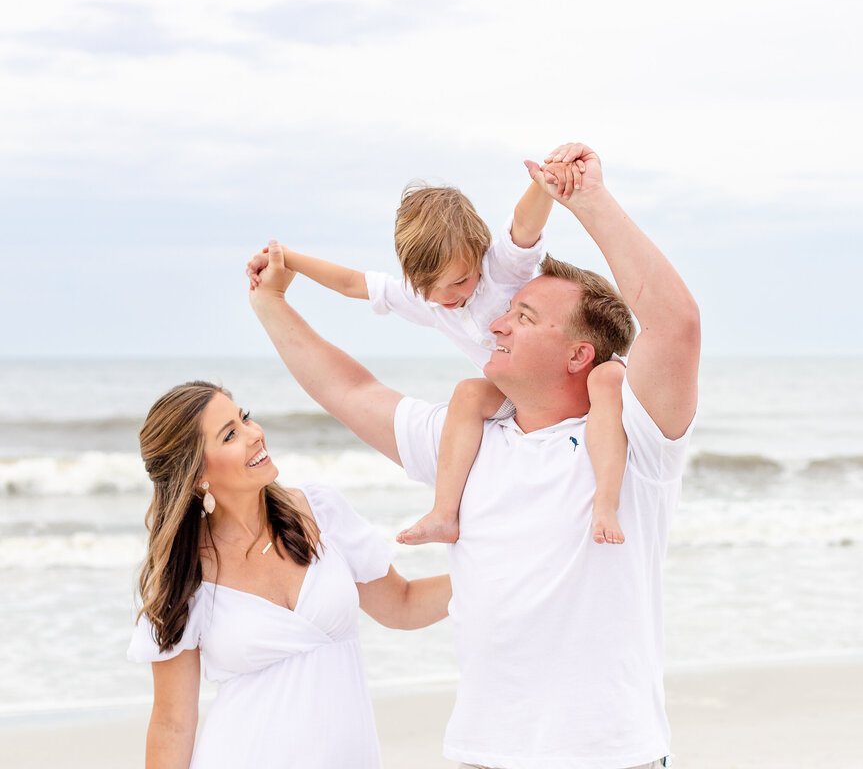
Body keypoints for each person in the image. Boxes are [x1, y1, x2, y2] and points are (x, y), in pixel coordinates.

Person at [249, 142, 701, 769]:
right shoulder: (467, 441)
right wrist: (271, 303)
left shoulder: (634, 439)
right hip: (482, 755)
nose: (495, 324)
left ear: (578, 355)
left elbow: (673, 322)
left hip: (608, 755)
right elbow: (349, 390)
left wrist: (586, 199)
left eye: (523, 314)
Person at [245, 176, 631, 546]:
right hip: (517, 396)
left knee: (607, 380)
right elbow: (353, 284)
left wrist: (544, 184)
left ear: (479, 254)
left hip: (589, 372)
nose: (448, 297)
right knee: (467, 393)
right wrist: (288, 259)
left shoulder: (500, 271)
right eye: (432, 287)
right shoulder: (425, 300)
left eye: (461, 281)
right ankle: (445, 512)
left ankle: (606, 501)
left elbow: (524, 223)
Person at [128, 381, 451, 768]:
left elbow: (403, 604)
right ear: (196, 474)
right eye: (231, 434)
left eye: (244, 417)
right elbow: (172, 724)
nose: (254, 434)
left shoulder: (319, 510)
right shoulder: (184, 576)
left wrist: (499, 572)